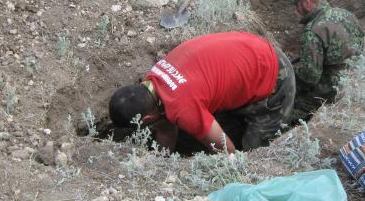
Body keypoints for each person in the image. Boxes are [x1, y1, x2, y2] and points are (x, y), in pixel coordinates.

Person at [109, 32, 295, 153]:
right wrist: (159, 162)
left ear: (147, 119)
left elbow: (227, 151)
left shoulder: (184, 108)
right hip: (248, 49)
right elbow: (166, 127)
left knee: (254, 154)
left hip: (273, 76)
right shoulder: (154, 78)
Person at [289, 0, 364, 121]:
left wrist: (289, 77)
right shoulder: (348, 15)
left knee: (288, 109)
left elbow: (309, 77)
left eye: (296, 5)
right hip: (356, 81)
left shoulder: (313, 30)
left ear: (306, 3)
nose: (296, 10)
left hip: (330, 91)